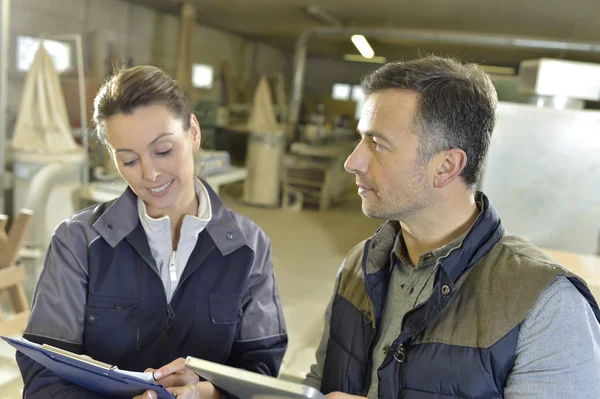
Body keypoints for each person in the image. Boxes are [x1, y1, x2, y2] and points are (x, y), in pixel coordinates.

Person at [304, 56, 600, 398]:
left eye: (377, 143)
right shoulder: (360, 265)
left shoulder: (547, 306)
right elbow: (318, 385)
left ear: (446, 166)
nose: (352, 161)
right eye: (360, 139)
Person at [16, 65, 288, 399]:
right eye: (129, 160)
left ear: (194, 133)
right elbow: (43, 376)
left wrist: (206, 393)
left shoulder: (249, 245)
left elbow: (263, 372)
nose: (151, 173)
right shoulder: (77, 241)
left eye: (163, 150)